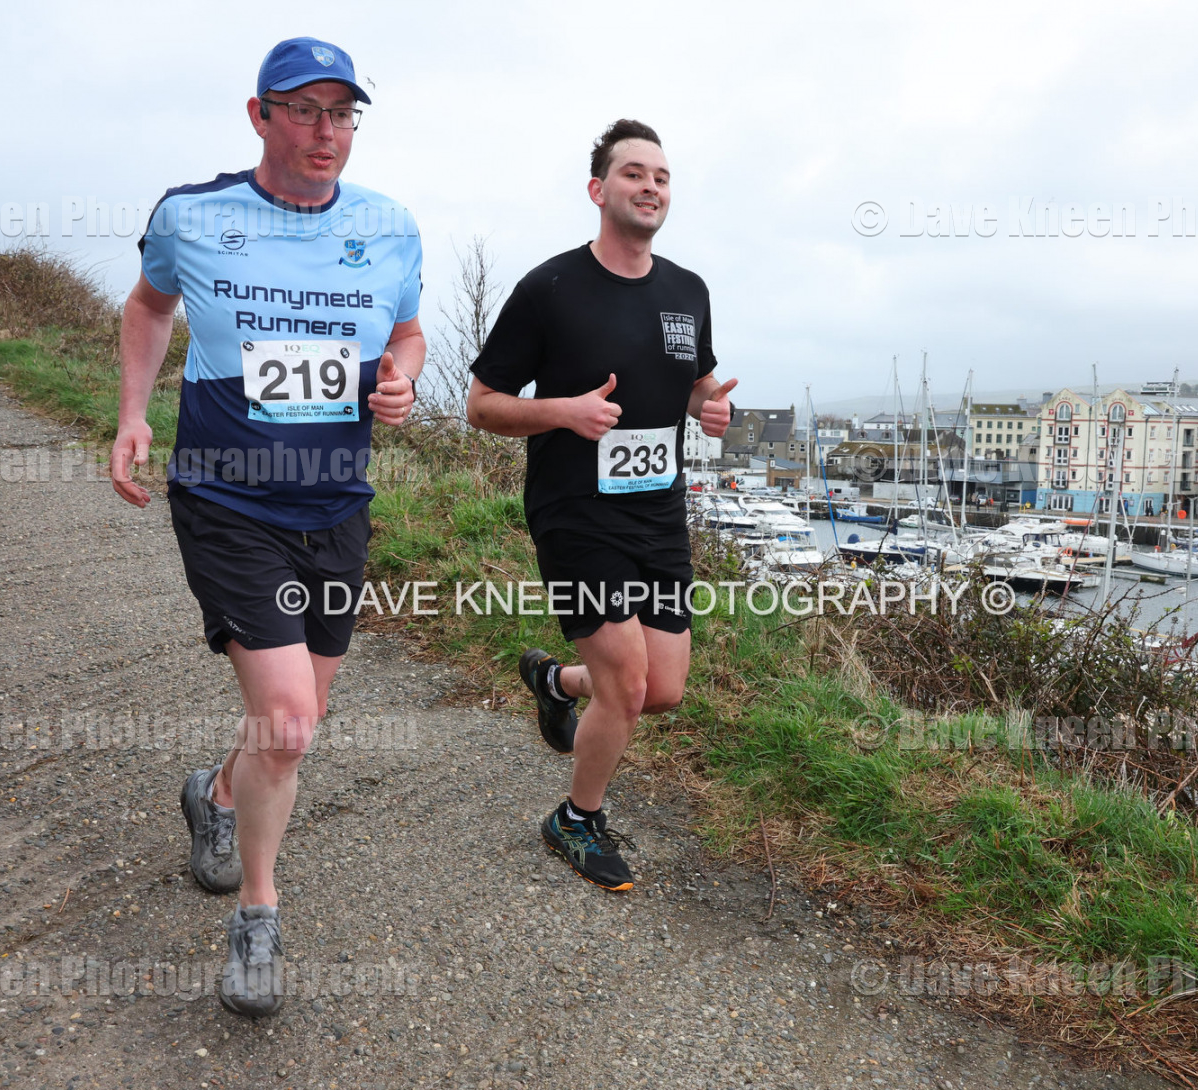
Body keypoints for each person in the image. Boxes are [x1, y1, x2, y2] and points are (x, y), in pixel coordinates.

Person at [110, 36, 425, 1015]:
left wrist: (404, 377)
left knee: (291, 727)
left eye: (343, 113)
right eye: (304, 109)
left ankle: (214, 795)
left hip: (336, 505)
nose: (327, 131)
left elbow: (408, 331)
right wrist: (132, 414)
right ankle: (259, 916)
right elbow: (148, 307)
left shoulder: (389, 226)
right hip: (228, 498)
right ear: (260, 115)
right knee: (287, 723)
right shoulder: (193, 215)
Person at [466, 119, 734, 891]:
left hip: (658, 514)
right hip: (574, 512)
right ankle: (576, 820)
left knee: (663, 690)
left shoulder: (688, 291)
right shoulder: (550, 289)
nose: (651, 187)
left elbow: (695, 385)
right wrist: (565, 411)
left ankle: (558, 683)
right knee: (627, 685)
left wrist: (712, 408)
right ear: (598, 189)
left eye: (661, 176)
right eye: (633, 173)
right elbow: (481, 405)